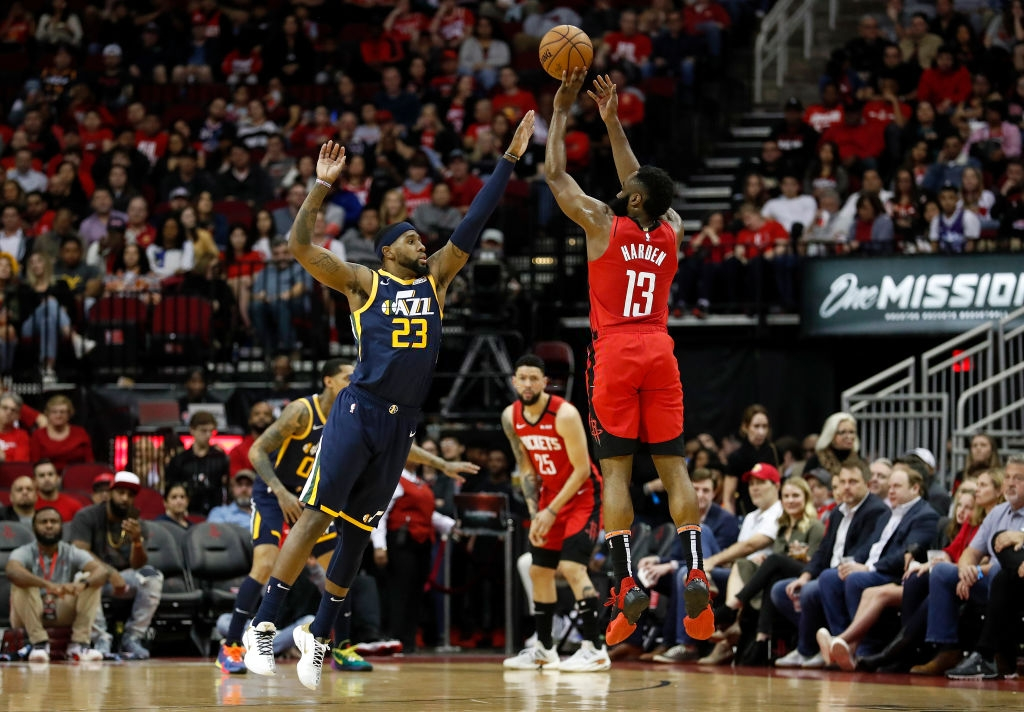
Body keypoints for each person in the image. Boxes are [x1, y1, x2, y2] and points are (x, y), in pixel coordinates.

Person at [544, 70, 712, 647]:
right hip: (660, 349)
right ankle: (696, 569)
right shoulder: (673, 228)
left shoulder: (601, 222)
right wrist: (612, 119)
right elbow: (641, 183)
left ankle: (622, 582)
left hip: (615, 349)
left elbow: (555, 175)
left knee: (614, 470)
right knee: (675, 466)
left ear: (633, 199)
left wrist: (563, 110)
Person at [500, 355, 609, 672]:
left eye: (535, 378)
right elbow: (525, 468)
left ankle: (595, 649)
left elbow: (580, 471)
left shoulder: (564, 414)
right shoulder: (511, 417)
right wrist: (536, 512)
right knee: (539, 571)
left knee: (572, 567)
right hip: (548, 500)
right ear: (514, 381)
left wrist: (549, 511)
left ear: (545, 382)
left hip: (584, 496)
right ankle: (544, 649)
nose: (529, 384)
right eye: (523, 378)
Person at [68, 471, 164, 659]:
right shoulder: (87, 516)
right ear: (110, 493)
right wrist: (110, 573)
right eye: (120, 493)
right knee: (85, 577)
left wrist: (137, 541)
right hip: (94, 578)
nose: (124, 498)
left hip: (123, 579)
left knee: (153, 576)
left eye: (130, 495)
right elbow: (79, 552)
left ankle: (133, 638)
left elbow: (138, 565)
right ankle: (101, 639)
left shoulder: (136, 523)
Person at [7, 507, 108, 662]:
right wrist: (47, 584)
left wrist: (81, 584)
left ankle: (79, 644)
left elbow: (101, 571)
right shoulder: (24, 551)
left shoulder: (71, 551)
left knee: (89, 578)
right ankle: (39, 643)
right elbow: (12, 571)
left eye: (54, 522)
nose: (49, 525)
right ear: (34, 527)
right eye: (43, 522)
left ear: (62, 527)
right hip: (30, 611)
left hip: (61, 607)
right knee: (22, 582)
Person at [163, 411, 230, 516]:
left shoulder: (220, 458)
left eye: (211, 431)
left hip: (215, 512)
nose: (208, 435)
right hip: (186, 512)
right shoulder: (180, 460)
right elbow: (172, 487)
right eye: (203, 431)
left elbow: (227, 486)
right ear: (192, 430)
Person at [29, 395, 94, 473]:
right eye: (54, 412)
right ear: (47, 414)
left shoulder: (80, 433)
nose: (58, 415)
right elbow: (34, 464)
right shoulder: (38, 435)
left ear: (69, 414)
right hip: (47, 479)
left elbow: (90, 462)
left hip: (77, 476)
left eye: (62, 412)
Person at [33, 457, 82, 523]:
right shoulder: (30, 505)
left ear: (57, 478)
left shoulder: (74, 506)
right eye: (42, 475)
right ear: (34, 481)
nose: (47, 479)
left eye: (50, 474)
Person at [0, 392, 31, 462]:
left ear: (18, 416)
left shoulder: (22, 435)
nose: (8, 412)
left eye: (13, 410)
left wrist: (3, 460)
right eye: (5, 408)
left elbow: (19, 464)